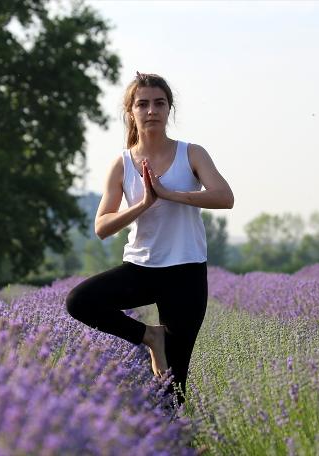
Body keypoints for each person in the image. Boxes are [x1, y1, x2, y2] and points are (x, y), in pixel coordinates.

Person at [65, 72, 234, 405]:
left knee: (174, 383)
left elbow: (224, 197)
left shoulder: (192, 154)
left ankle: (176, 442)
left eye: (159, 103)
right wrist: (143, 204)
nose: (151, 110)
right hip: (141, 269)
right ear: (131, 112)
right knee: (79, 301)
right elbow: (102, 226)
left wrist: (171, 194)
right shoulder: (122, 163)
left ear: (169, 109)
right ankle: (150, 336)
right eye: (143, 104)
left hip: (186, 272)